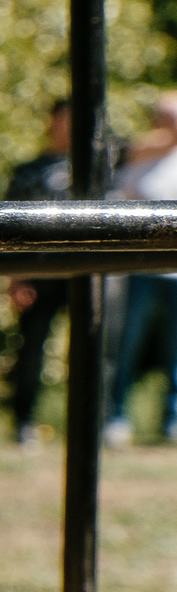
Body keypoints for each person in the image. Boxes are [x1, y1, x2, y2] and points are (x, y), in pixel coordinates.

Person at [107, 93, 177, 447]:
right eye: (168, 118)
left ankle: (172, 419)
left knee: (174, 350)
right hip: (139, 269)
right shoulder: (136, 157)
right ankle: (116, 416)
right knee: (127, 344)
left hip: (175, 274)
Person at [4, 99, 75, 447]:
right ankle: (23, 421)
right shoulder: (28, 171)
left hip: (84, 274)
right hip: (38, 273)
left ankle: (91, 421)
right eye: (66, 119)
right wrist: (17, 277)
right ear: (52, 122)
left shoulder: (99, 167)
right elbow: (10, 229)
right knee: (31, 349)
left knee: (92, 350)